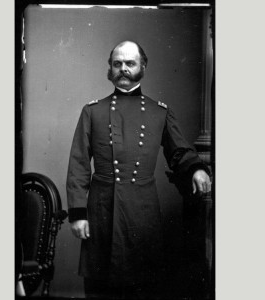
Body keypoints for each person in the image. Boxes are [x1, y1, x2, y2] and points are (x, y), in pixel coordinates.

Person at [66, 41, 212, 299]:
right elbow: (78, 165)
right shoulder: (93, 112)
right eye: (117, 64)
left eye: (129, 63)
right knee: (100, 288)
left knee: (143, 287)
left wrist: (196, 170)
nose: (123, 69)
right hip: (102, 211)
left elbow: (179, 152)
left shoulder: (159, 112)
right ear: (109, 69)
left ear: (142, 67)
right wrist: (78, 214)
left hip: (142, 214)